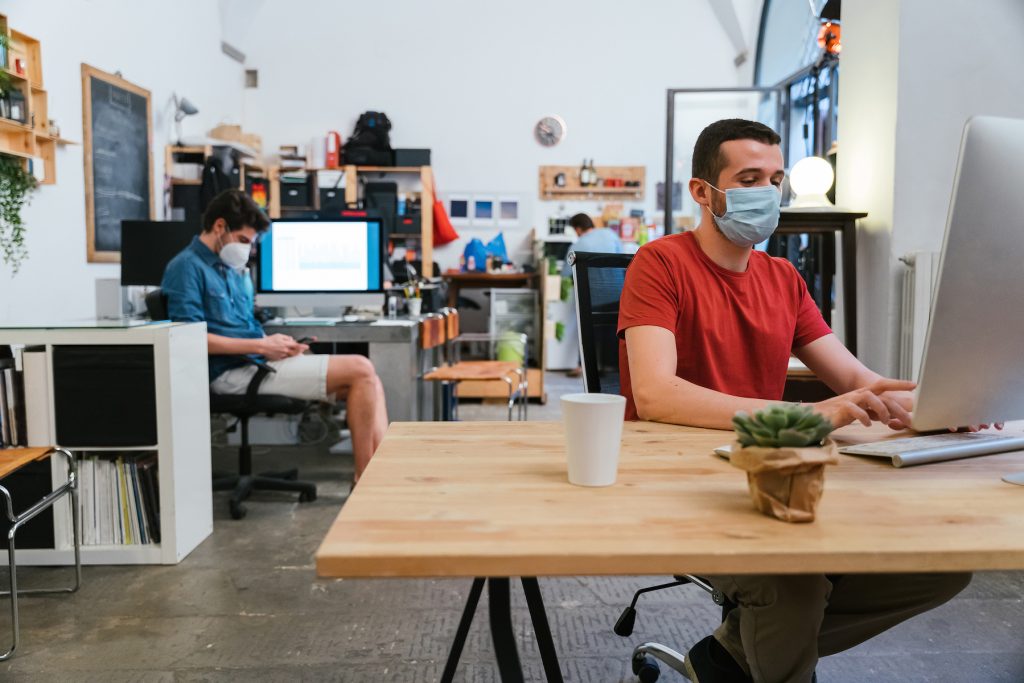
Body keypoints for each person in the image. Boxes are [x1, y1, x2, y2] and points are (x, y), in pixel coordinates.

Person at [617, 119, 972, 683]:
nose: (768, 191)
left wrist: (942, 408)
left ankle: (733, 654)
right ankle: (761, 657)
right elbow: (656, 395)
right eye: (749, 177)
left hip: (773, 474)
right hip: (678, 483)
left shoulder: (783, 277)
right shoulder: (659, 264)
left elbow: (857, 377)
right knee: (794, 585)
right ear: (702, 191)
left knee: (941, 566)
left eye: (775, 177)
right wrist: (801, 416)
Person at [162, 190, 387, 482]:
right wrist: (261, 345)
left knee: (370, 382)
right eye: (243, 240)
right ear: (220, 227)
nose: (247, 249)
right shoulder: (186, 268)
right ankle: (365, 479)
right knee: (361, 369)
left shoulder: (230, 269)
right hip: (229, 373)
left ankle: (382, 472)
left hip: (255, 363)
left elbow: (245, 327)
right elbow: (188, 340)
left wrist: (278, 344)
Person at [562, 213, 623, 377]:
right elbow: (623, 259)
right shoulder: (610, 234)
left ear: (578, 229)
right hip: (618, 292)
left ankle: (584, 367)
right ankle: (611, 367)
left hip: (593, 296)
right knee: (613, 330)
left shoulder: (577, 245)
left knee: (589, 332)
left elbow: (566, 273)